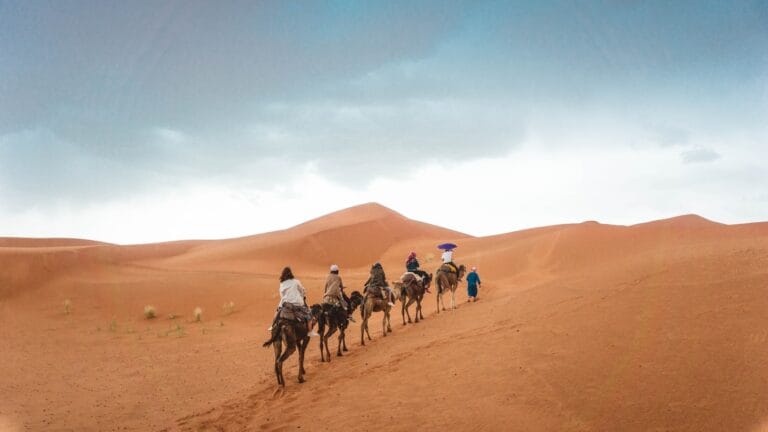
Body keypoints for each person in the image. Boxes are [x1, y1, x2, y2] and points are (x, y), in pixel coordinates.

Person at [268, 266, 319, 336]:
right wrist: (303, 295)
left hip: (286, 303)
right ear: (291, 274)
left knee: (277, 312)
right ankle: (310, 331)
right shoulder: (296, 281)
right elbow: (302, 290)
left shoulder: (282, 284)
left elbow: (281, 295)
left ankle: (273, 325)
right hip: (297, 303)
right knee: (309, 314)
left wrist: (286, 299)